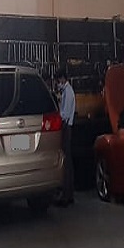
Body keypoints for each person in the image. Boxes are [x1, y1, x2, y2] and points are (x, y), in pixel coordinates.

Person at [56, 70, 75, 206]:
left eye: (59, 81)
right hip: (66, 126)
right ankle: (68, 194)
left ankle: (66, 195)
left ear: (63, 78)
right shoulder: (66, 91)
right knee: (67, 160)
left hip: (66, 127)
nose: (58, 84)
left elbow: (65, 114)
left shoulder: (68, 92)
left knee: (66, 161)